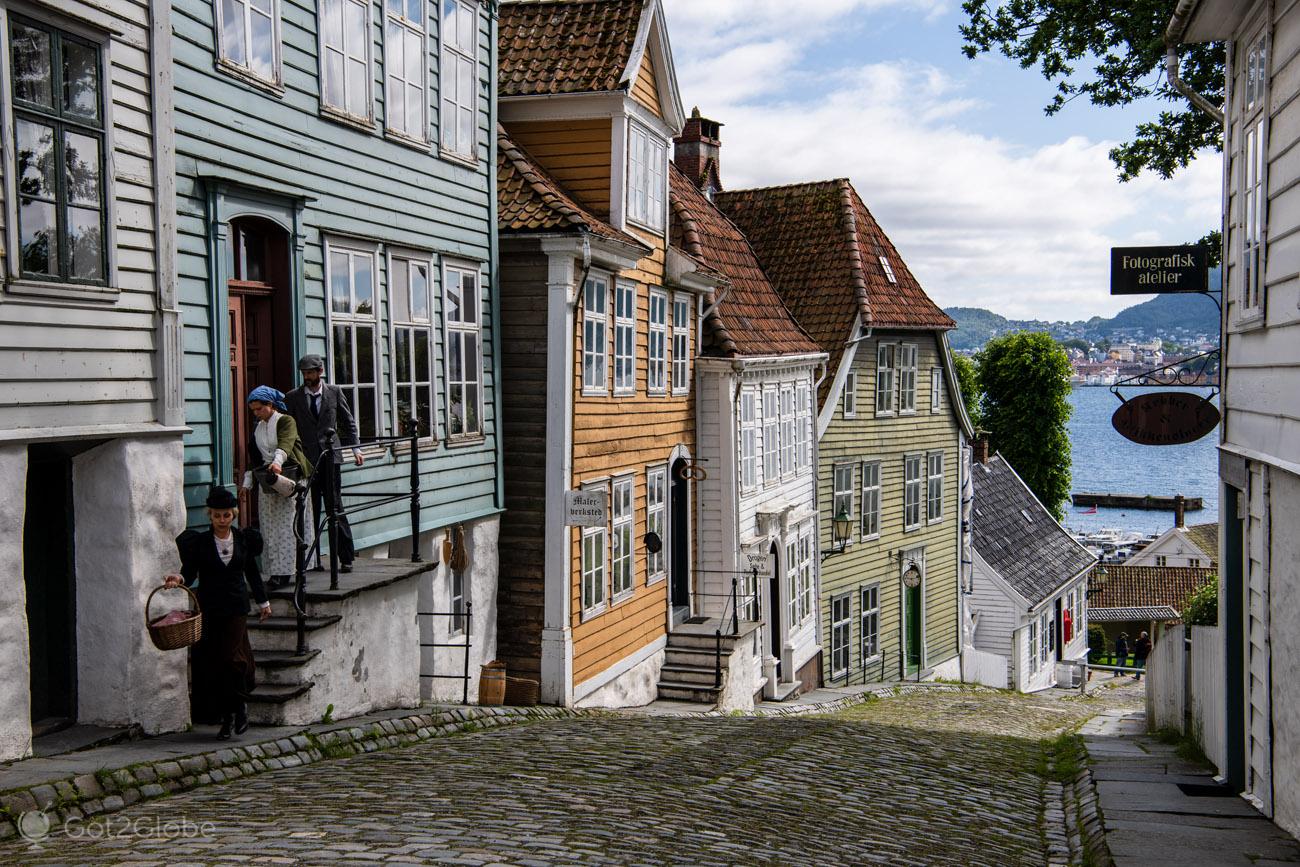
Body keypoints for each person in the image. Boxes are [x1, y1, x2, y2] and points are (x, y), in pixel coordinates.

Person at [164, 487, 270, 739]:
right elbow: (189, 572)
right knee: (215, 665)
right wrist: (178, 577)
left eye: (226, 516)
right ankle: (228, 717)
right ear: (210, 516)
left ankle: (240, 707)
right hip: (209, 607)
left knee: (233, 658)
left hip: (235, 607)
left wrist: (263, 602)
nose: (222, 521)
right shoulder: (200, 543)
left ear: (233, 514)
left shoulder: (243, 540)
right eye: (217, 516)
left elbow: (252, 573)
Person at [284, 355, 363, 574]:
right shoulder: (293, 397)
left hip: (331, 458)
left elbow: (348, 422)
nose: (307, 377)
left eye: (310, 372)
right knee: (310, 510)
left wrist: (355, 448)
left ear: (320, 371)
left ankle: (346, 557)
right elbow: (290, 430)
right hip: (306, 461)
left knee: (334, 506)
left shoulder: (334, 392)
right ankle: (313, 560)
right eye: (304, 373)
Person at [241, 385, 313, 588]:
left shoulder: (285, 421)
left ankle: (286, 572)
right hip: (268, 481)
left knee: (286, 526)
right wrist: (247, 483)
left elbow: (286, 444)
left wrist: (277, 463)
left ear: (270, 405)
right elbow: (255, 456)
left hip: (289, 478)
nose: (256, 413)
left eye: (259, 409)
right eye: (253, 410)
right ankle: (274, 570)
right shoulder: (259, 427)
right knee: (269, 526)